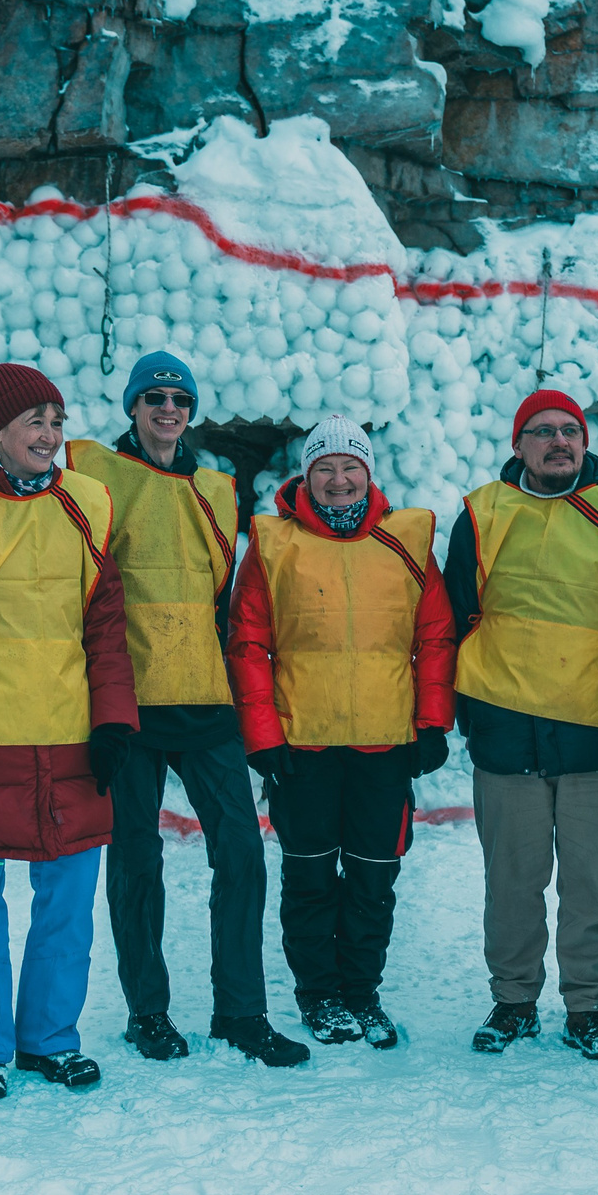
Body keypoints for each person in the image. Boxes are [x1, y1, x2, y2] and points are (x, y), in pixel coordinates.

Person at [68, 351, 302, 1068]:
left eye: (179, 399)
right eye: (154, 397)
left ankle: (241, 1010)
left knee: (242, 853)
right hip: (130, 699)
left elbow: (218, 596)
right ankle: (149, 1011)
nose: (167, 409)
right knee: (136, 860)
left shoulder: (215, 487)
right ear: (133, 407)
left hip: (203, 695)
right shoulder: (96, 474)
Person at [0, 364, 137, 1101]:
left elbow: (106, 627)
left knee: (69, 897)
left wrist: (113, 719)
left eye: (55, 418)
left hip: (71, 733)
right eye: (32, 421)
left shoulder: (89, 503)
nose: (49, 434)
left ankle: (50, 1038)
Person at [446, 388, 598, 1060]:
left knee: (592, 884)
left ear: (585, 441)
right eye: (541, 431)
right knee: (511, 882)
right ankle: (513, 1001)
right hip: (506, 734)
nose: (558, 442)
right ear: (519, 445)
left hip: (596, 735)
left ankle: (587, 1007)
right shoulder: (483, 514)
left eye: (570, 430)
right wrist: (469, 713)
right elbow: (454, 615)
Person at [230, 416, 456, 1048]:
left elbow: (434, 635)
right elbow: (248, 645)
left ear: (368, 473)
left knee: (372, 879)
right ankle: (320, 995)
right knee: (307, 878)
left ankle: (362, 991)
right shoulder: (275, 546)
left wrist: (433, 722)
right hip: (304, 746)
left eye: (349, 466)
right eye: (324, 467)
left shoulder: (405, 542)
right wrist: (263, 737)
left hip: (385, 746)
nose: (337, 479)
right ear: (307, 475)